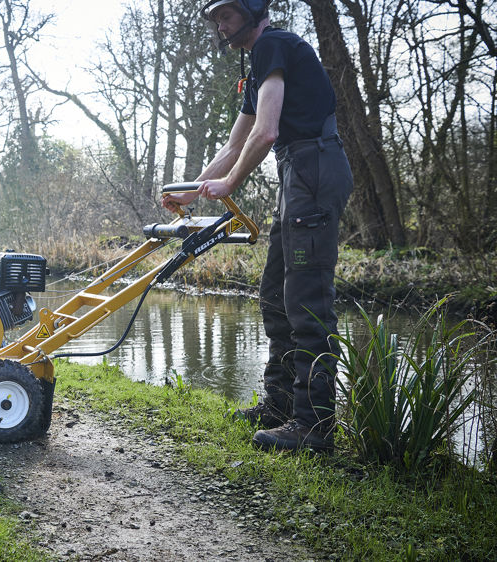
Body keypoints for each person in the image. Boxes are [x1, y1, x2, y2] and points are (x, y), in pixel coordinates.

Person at [163, 0, 353, 452]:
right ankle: (282, 404)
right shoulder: (260, 64)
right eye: (216, 19)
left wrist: (229, 183)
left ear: (252, 11)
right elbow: (235, 143)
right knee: (274, 293)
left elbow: (265, 133)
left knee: (306, 301)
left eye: (227, 15)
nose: (221, 26)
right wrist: (193, 191)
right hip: (297, 171)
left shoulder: (272, 44)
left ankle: (314, 426)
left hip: (314, 165)